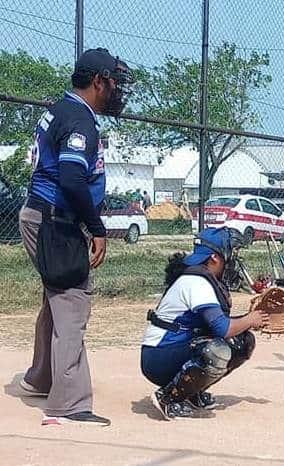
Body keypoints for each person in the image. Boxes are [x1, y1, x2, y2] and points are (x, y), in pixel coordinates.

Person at [18, 48, 134, 426]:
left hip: (45, 216)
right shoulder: (79, 120)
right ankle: (67, 406)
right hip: (55, 221)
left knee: (57, 298)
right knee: (72, 302)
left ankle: (42, 378)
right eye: (114, 82)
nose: (117, 90)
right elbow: (70, 178)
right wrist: (97, 227)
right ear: (98, 81)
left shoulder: (64, 109)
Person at [141, 227, 269, 420]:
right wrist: (249, 319)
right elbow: (222, 328)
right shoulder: (196, 282)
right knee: (216, 350)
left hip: (172, 348)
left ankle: (190, 393)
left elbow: (219, 324)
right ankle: (169, 399)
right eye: (229, 254)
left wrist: (252, 321)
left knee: (242, 341)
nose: (231, 261)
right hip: (158, 356)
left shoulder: (203, 277)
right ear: (214, 258)